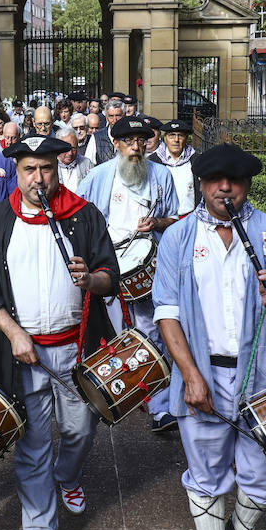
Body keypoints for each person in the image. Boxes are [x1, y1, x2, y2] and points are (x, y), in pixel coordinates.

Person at [151, 144, 266, 530]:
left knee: (263, 473)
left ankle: (243, 529)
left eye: (234, 180)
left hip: (264, 377)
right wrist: (190, 375)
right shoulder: (178, 238)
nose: (224, 188)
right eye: (215, 179)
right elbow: (167, 314)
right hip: (204, 376)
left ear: (247, 185)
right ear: (201, 183)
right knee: (206, 473)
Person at [0, 135, 118, 530]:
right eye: (29, 170)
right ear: (16, 173)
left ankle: (68, 475)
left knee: (80, 428)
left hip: (76, 349)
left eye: (46, 169)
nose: (38, 178)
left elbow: (110, 275)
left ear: (58, 169)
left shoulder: (84, 215)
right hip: (23, 354)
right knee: (32, 446)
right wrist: (14, 334)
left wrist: (91, 280)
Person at [78, 117, 180, 432]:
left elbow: (175, 218)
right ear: (117, 143)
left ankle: (160, 408)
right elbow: (80, 218)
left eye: (141, 141)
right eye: (129, 141)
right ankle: (108, 395)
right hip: (107, 269)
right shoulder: (98, 176)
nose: (136, 148)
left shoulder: (162, 175)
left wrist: (158, 224)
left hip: (149, 267)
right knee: (110, 335)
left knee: (153, 334)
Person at [152, 119, 198, 216]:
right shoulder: (154, 161)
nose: (176, 140)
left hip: (190, 217)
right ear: (165, 139)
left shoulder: (196, 160)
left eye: (180, 136)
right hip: (163, 220)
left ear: (186, 139)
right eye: (172, 135)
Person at [55, 123, 94, 191]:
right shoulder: (52, 165)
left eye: (73, 148)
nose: (70, 153)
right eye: (66, 149)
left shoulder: (86, 164)